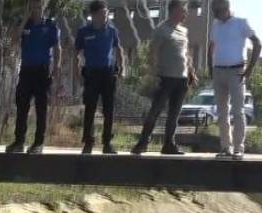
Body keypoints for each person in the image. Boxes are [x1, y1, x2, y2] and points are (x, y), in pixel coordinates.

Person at [132, 0, 197, 155]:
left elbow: (186, 54)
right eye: (183, 10)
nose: (185, 13)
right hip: (165, 77)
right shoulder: (161, 29)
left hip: (181, 79)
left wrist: (191, 72)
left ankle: (169, 145)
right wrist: (153, 74)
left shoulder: (184, 31)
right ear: (174, 10)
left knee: (174, 114)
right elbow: (152, 52)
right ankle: (142, 143)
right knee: (155, 110)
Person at [6, 0, 61, 154]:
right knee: (22, 106)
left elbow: (57, 48)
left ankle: (38, 142)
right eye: (32, 7)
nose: (35, 10)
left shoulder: (50, 25)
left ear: (43, 8)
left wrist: (56, 67)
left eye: (38, 7)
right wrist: (24, 20)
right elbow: (13, 41)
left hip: (42, 71)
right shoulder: (25, 25)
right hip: (26, 70)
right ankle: (19, 141)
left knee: (41, 107)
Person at [208, 0, 259, 159]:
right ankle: (225, 147)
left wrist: (250, 69)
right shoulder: (216, 25)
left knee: (238, 111)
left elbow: (257, 43)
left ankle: (238, 148)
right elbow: (211, 48)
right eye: (214, 11)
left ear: (227, 8)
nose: (215, 14)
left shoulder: (241, 23)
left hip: (236, 71)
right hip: (219, 71)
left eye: (217, 11)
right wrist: (210, 69)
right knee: (222, 112)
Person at [75, 0, 125, 154]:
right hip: (91, 74)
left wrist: (122, 68)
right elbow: (75, 54)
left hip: (108, 73)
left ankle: (107, 143)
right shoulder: (84, 31)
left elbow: (119, 50)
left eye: (106, 13)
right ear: (93, 15)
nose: (105, 16)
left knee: (109, 109)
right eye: (102, 13)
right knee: (90, 108)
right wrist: (77, 74)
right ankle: (88, 142)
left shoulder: (112, 30)